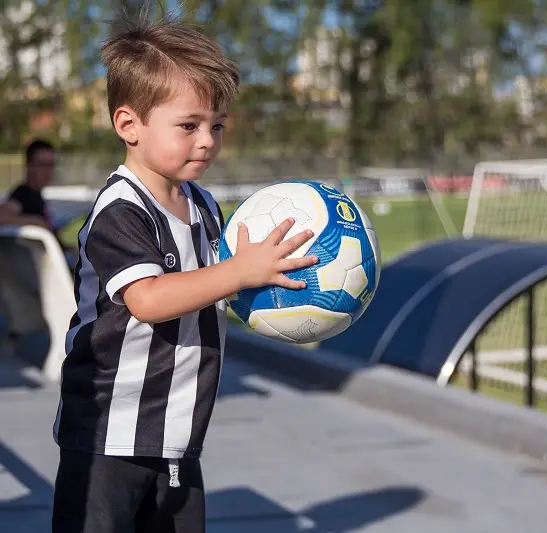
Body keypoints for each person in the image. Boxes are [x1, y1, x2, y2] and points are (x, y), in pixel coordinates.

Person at [50, 6, 319, 533]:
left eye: (217, 126)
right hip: (107, 434)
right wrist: (239, 272)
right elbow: (148, 299)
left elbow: (210, 288)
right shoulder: (120, 210)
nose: (207, 141)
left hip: (176, 431)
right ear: (128, 124)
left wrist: (271, 296)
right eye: (189, 125)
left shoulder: (202, 206)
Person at [0, 139, 60, 350]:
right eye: (42, 165)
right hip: (49, 278)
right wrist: (33, 222)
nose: (48, 171)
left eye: (51, 165)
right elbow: (2, 215)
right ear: (29, 166)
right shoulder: (23, 194)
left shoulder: (35, 197)